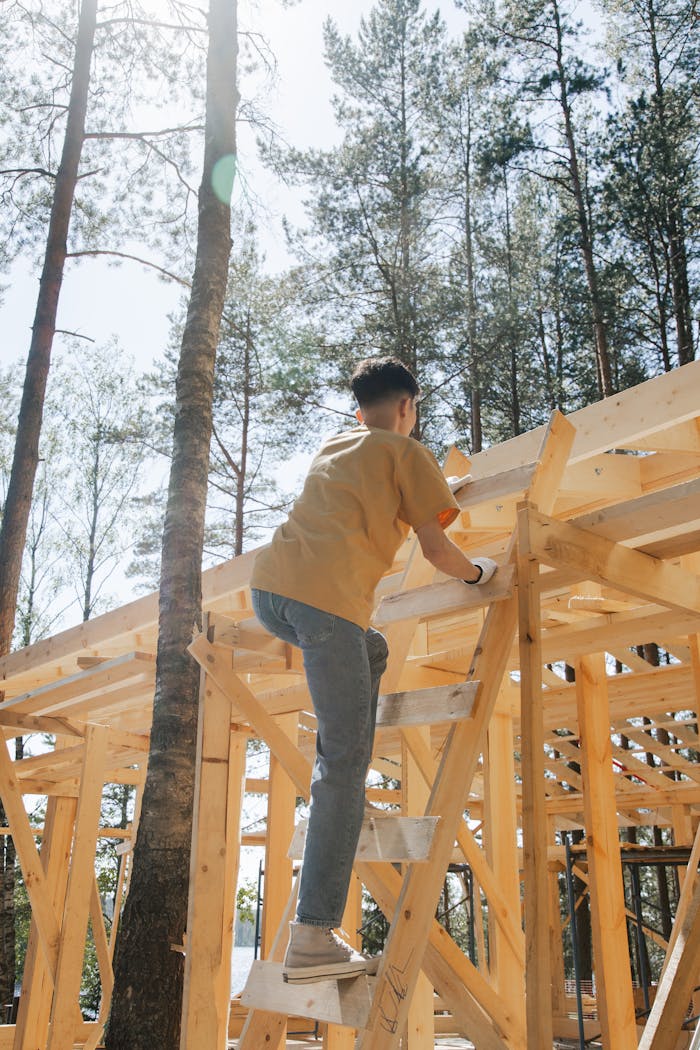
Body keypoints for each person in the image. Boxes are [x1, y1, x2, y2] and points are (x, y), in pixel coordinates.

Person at [250, 357, 497, 985]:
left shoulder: (338, 444)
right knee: (342, 766)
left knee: (374, 650)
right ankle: (311, 937)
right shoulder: (407, 453)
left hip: (272, 596)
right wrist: (480, 574)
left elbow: (373, 502)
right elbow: (437, 548)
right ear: (408, 408)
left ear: (361, 409)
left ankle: (346, 775)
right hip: (326, 606)